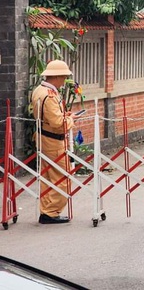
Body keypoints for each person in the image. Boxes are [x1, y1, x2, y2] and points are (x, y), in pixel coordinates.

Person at [30, 60, 82, 224]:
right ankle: (51, 212)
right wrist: (71, 119)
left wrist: (64, 116)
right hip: (53, 141)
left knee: (47, 177)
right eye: (64, 77)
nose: (64, 80)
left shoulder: (39, 90)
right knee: (61, 177)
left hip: (43, 137)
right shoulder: (50, 95)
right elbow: (58, 124)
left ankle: (47, 210)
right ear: (57, 76)